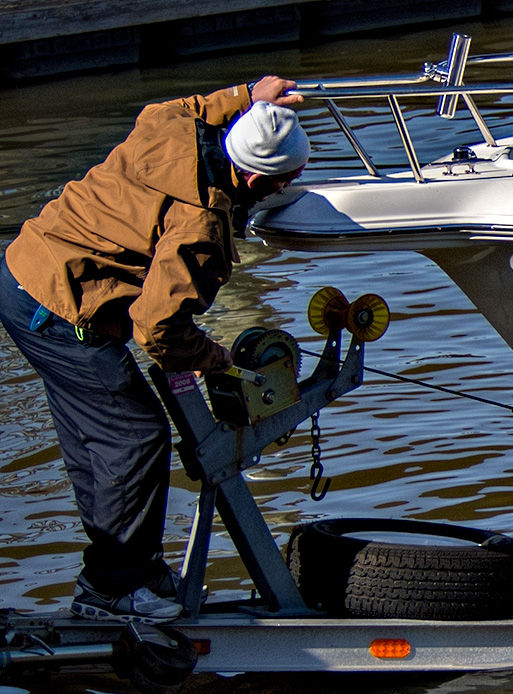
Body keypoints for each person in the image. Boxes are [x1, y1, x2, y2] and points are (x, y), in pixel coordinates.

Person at [0, 76, 309, 624]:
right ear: (258, 180)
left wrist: (246, 96)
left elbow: (180, 105)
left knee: (97, 438)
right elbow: (157, 329)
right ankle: (112, 590)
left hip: (20, 272)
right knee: (134, 437)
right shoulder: (201, 226)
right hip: (59, 308)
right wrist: (220, 360)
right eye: (285, 183)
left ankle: (121, 570)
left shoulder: (171, 130)